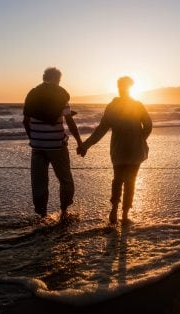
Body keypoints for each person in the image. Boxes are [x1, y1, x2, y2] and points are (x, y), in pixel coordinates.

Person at [78, 76, 152, 224]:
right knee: (130, 181)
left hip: (118, 150)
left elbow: (100, 130)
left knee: (118, 179)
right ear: (130, 88)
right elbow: (148, 126)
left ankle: (114, 211)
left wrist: (85, 145)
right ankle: (124, 215)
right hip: (135, 150)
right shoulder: (137, 105)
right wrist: (140, 138)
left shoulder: (112, 107)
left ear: (118, 87)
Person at [23, 67, 82, 219]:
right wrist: (80, 142)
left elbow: (26, 120)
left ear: (44, 77)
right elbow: (69, 122)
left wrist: (33, 138)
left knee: (39, 182)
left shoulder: (33, 94)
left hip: (37, 147)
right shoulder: (61, 95)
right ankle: (64, 210)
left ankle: (42, 215)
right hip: (57, 145)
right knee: (65, 179)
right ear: (58, 79)